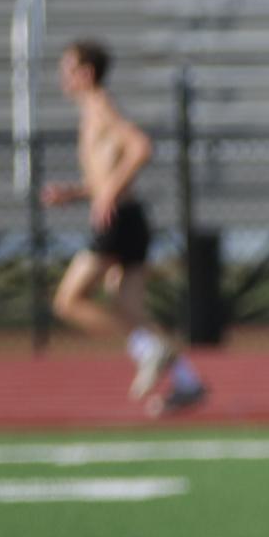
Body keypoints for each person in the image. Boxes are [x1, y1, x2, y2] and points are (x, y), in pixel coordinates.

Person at [40, 39, 207, 416]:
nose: (61, 78)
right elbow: (107, 173)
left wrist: (106, 195)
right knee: (129, 308)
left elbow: (141, 147)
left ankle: (149, 350)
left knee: (68, 301)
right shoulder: (91, 111)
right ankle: (188, 382)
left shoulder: (100, 106)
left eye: (66, 69)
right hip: (130, 218)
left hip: (119, 220)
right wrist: (77, 193)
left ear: (84, 73)